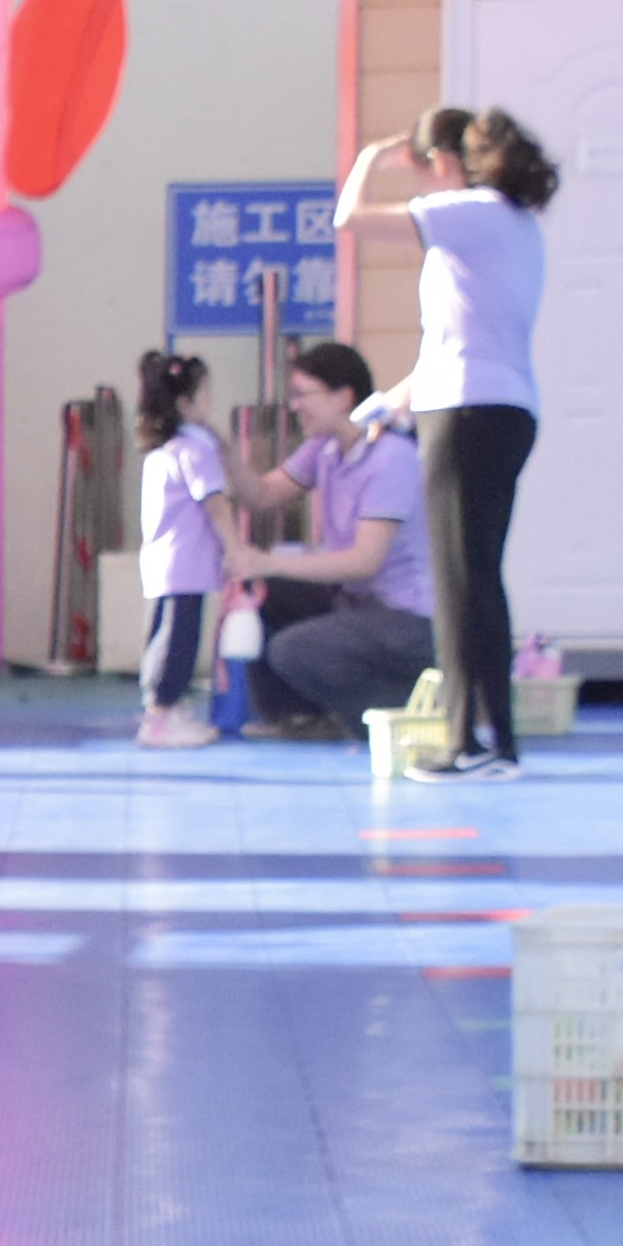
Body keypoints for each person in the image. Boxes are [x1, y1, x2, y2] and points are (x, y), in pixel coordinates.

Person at [338, 104, 557, 777]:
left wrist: (372, 156)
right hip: (497, 408)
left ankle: (472, 742)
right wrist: (388, 404)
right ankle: (493, 741)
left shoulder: (468, 211)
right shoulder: (514, 223)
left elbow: (351, 220)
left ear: (442, 161)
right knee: (475, 577)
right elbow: (451, 344)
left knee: (460, 585)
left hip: (465, 415)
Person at [232, 339, 430, 743]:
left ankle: (395, 716)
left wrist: (269, 561)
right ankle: (298, 718)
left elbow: (363, 562)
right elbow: (263, 495)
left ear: (344, 397)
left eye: (304, 395)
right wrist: (212, 446)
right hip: (360, 602)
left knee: (295, 649)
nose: (296, 406)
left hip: (408, 621)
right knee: (269, 592)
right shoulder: (324, 449)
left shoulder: (390, 457)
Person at [128, 347, 230, 750]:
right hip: (185, 563)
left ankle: (162, 707)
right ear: (185, 403)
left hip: (164, 564)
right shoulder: (196, 449)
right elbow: (215, 504)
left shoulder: (163, 452)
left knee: (161, 635)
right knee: (178, 641)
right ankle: (162, 715)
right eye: (204, 392)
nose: (210, 401)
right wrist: (235, 547)